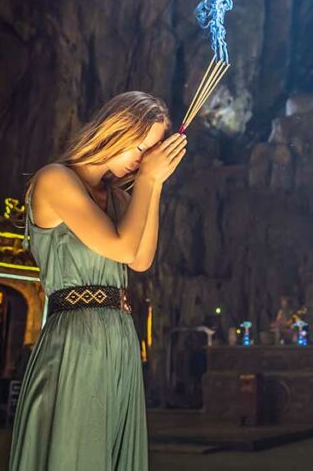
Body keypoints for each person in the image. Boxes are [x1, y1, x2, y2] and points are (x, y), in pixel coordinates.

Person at [9, 91, 187, 470]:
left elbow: (140, 259)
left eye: (150, 153)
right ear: (116, 129)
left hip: (120, 337)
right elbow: (122, 248)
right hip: (77, 340)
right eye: (140, 148)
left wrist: (154, 184)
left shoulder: (117, 198)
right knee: (76, 452)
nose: (142, 161)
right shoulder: (55, 179)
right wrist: (147, 180)